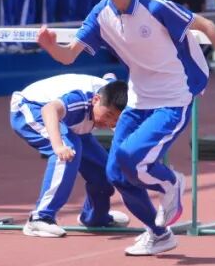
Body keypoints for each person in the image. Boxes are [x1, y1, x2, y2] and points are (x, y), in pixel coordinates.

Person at [36, 0, 215, 257]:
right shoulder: (101, 13)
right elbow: (69, 56)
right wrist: (50, 46)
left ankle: (171, 184)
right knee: (115, 173)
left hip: (175, 96)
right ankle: (158, 233)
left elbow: (207, 26)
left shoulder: (155, 7)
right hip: (139, 98)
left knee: (131, 157)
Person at [11, 74, 132, 237]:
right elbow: (49, 110)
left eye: (116, 120)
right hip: (31, 107)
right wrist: (58, 145)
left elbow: (111, 78)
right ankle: (40, 218)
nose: (109, 123)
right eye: (108, 115)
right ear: (96, 99)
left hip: (71, 123)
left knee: (104, 169)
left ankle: (94, 217)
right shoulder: (79, 99)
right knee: (68, 151)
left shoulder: (117, 96)